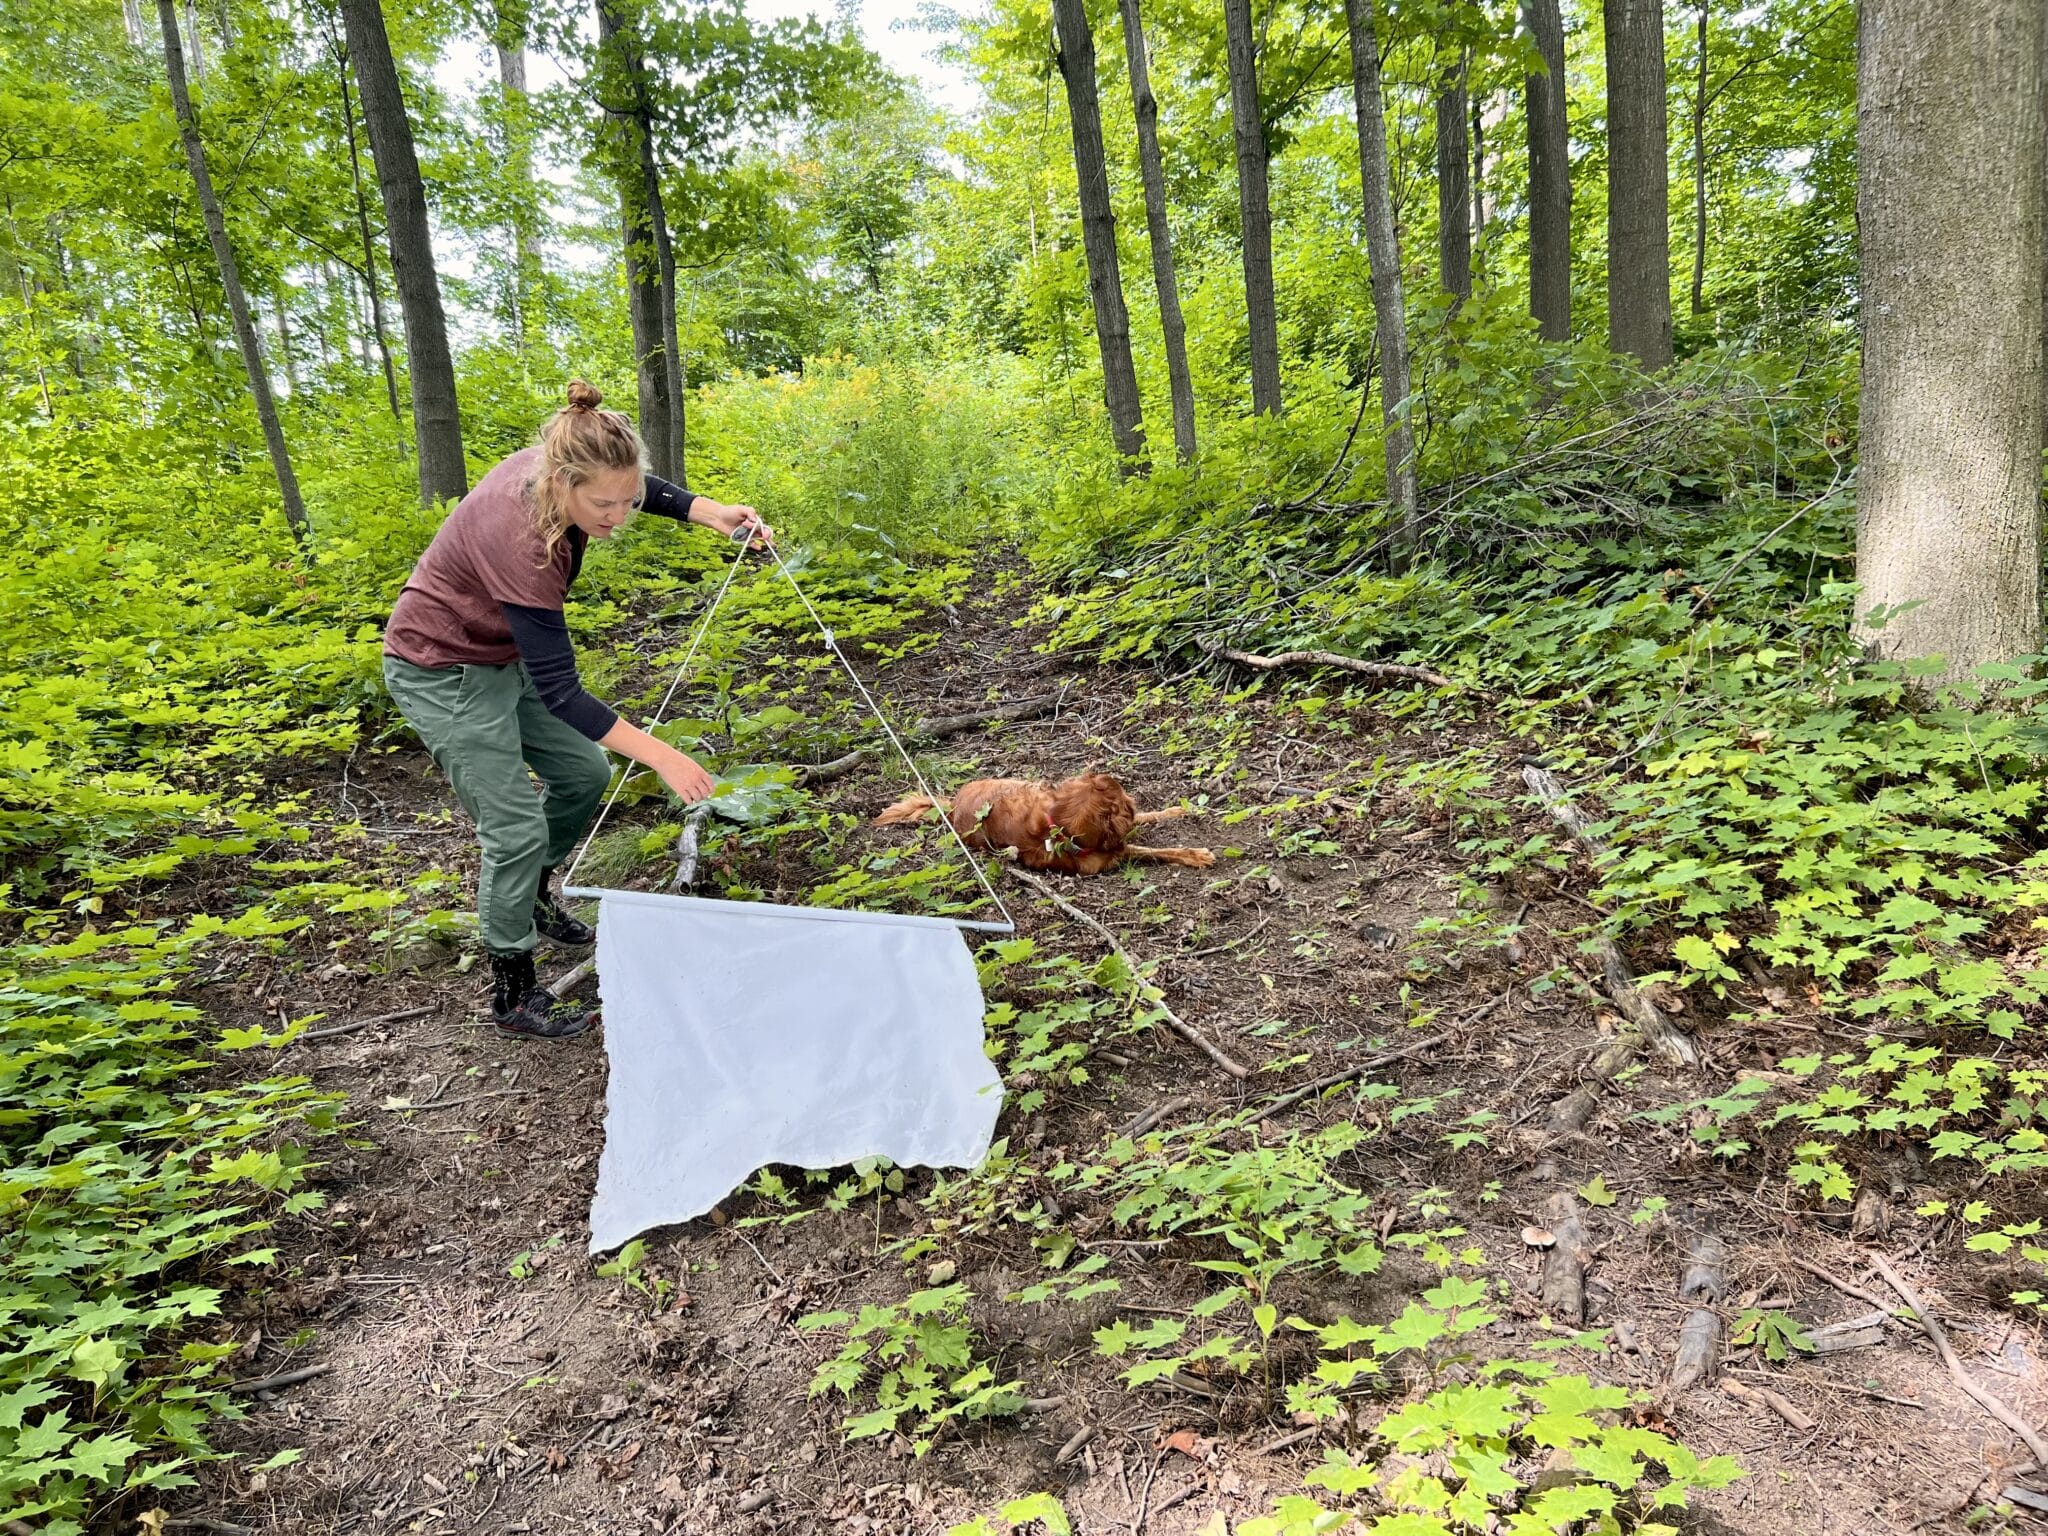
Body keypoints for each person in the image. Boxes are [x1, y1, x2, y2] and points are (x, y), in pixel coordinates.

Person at [381, 381, 768, 1040]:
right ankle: (513, 991)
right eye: (603, 506)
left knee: (584, 773)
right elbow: (562, 691)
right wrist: (664, 757)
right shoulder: (523, 541)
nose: (618, 516)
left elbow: (631, 486)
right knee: (513, 831)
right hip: (441, 668)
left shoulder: (564, 468)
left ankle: (529, 894)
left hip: (504, 655)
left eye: (625, 500)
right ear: (561, 483)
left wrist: (711, 513)